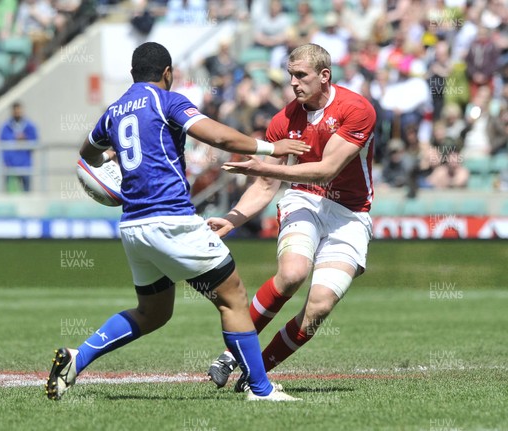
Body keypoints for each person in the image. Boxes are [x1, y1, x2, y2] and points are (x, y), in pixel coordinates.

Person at [45, 42, 308, 402]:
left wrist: (112, 158)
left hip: (133, 228)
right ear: (167, 73)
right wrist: (270, 148)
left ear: (133, 74)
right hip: (170, 218)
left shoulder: (115, 109)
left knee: (153, 312)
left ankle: (78, 357)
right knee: (233, 297)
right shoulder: (165, 100)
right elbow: (214, 134)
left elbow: (86, 153)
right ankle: (261, 391)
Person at [206, 43, 376, 392]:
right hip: (305, 199)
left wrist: (264, 164)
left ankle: (257, 373)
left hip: (351, 214)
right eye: (291, 76)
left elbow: (327, 170)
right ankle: (231, 354)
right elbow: (266, 186)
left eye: (302, 75)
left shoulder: (356, 109)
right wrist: (234, 219)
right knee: (293, 273)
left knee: (319, 307)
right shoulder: (283, 120)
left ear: (324, 76)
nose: (294, 83)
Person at [0, 101, 38, 192]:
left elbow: (35, 142)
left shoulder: (29, 126)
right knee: (11, 194)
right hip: (11, 165)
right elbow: (3, 144)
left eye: (19, 110)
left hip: (25, 164)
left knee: (26, 193)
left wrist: (25, 139)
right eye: (15, 111)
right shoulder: (6, 127)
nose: (17, 113)